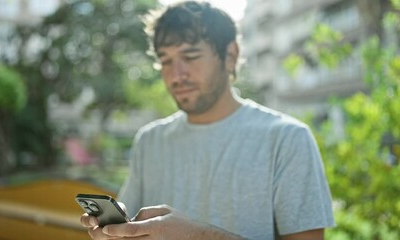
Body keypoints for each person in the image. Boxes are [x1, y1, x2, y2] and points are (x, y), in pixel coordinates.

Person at [80, 1, 335, 239]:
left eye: (190, 57)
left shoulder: (287, 139)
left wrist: (196, 235)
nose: (176, 75)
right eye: (165, 61)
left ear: (231, 55)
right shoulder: (149, 140)